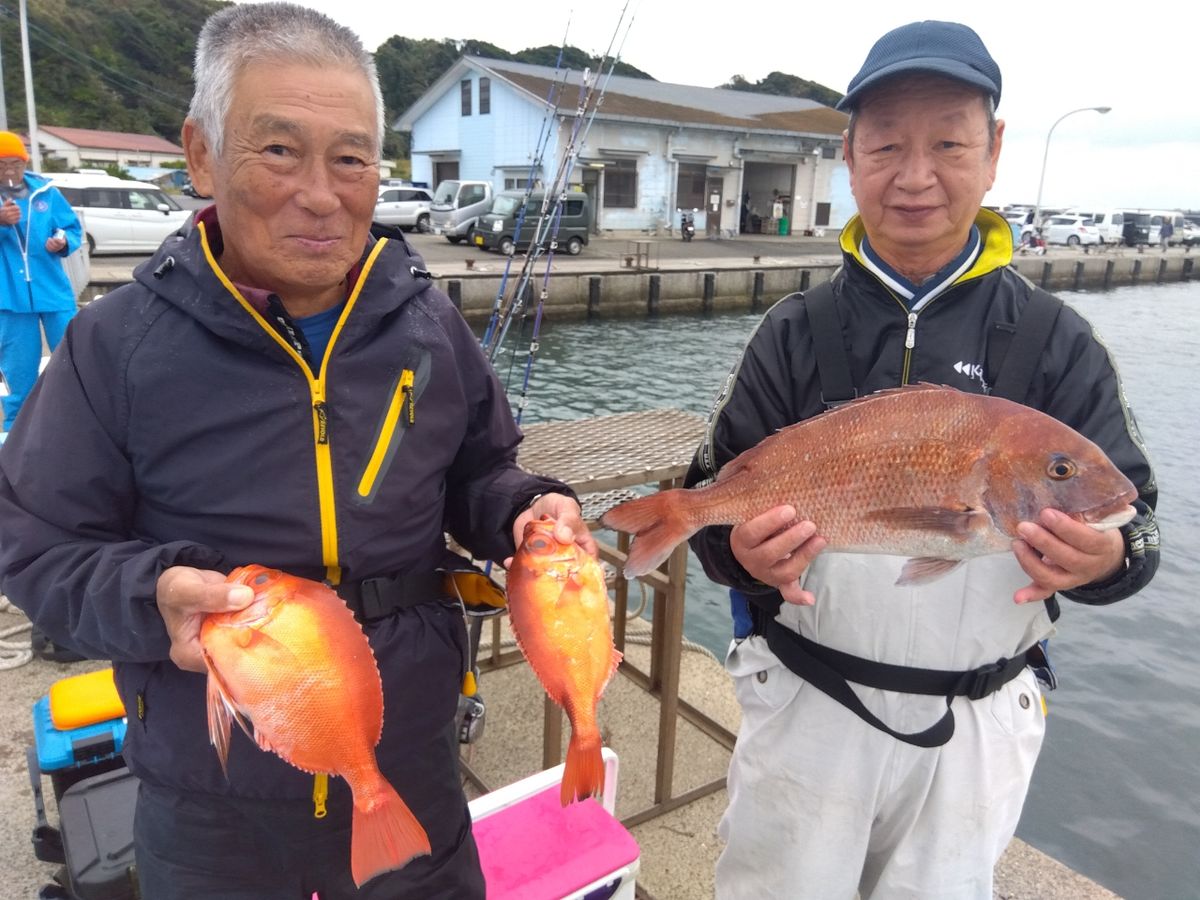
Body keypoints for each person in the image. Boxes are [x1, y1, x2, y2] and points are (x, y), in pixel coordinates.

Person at [0, 4, 593, 899]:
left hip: (409, 758)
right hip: (211, 795)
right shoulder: (115, 346)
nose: (322, 194)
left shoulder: (428, 323)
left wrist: (523, 506)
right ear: (202, 154)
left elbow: (479, 470)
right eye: (279, 150)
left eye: (351, 158)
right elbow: (35, 546)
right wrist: (150, 598)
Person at [685, 21, 1160, 900]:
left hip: (977, 721)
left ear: (994, 151)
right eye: (886, 146)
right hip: (807, 705)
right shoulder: (792, 333)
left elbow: (1138, 526)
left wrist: (1103, 561)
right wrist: (741, 555)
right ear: (849, 157)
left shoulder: (1059, 343)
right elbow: (707, 511)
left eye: (948, 143)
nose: (915, 176)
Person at [0, 130, 82, 433]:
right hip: (9, 298)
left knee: (73, 358)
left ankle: (74, 423)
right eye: (1, 165)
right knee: (18, 370)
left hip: (52, 291)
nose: (9, 171)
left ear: (25, 162)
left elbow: (71, 228)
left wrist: (62, 241)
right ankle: (16, 433)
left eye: (15, 164)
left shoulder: (47, 193)